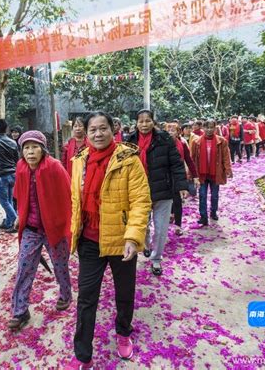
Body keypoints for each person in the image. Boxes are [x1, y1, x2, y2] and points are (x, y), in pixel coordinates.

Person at [66, 112, 151, 369]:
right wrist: (73, 233)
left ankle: (123, 332)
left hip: (120, 240)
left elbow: (140, 200)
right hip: (90, 241)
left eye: (103, 128)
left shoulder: (128, 159)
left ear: (113, 130)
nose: (98, 134)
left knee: (124, 294)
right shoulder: (79, 160)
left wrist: (133, 237)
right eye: (93, 129)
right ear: (86, 132)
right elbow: (75, 201)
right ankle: (83, 354)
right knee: (86, 298)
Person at [8, 131, 72, 331]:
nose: (30, 152)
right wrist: (20, 215)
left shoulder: (55, 167)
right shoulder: (20, 167)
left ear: (42, 149)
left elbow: (68, 195)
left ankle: (65, 295)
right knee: (24, 269)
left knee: (60, 265)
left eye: (34, 147)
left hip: (54, 228)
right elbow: (19, 193)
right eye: (26, 148)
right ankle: (20, 311)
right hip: (31, 229)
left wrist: (67, 224)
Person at [127, 109, 188, 276]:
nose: (144, 124)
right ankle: (145, 244)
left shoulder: (164, 138)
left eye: (148, 121)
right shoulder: (129, 141)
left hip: (163, 191)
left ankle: (156, 259)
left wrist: (182, 185)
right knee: (143, 225)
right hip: (139, 192)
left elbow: (176, 163)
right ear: (136, 123)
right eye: (141, 121)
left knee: (161, 229)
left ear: (153, 122)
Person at [192, 119, 233, 226]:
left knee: (214, 195)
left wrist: (228, 169)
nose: (209, 130)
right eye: (207, 127)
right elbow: (193, 159)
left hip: (216, 173)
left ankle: (213, 212)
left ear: (215, 128)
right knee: (202, 195)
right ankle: (203, 216)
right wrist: (191, 174)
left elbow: (226, 157)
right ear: (203, 128)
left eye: (211, 127)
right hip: (202, 174)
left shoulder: (222, 141)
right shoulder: (196, 142)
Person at [167, 123, 199, 235]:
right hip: (164, 177)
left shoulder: (182, 143)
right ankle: (170, 216)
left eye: (173, 130)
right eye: (168, 130)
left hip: (178, 176)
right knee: (166, 200)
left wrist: (195, 176)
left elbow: (189, 160)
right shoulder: (161, 144)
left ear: (178, 132)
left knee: (177, 200)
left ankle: (178, 225)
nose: (170, 132)